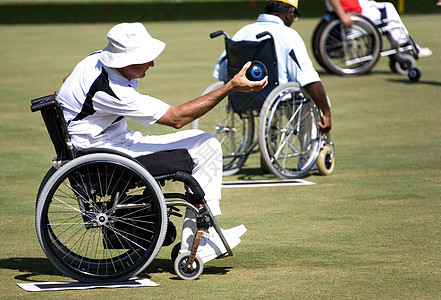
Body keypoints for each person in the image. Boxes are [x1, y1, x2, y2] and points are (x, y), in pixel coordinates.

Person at [57, 22, 268, 263]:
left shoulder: (94, 60)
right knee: (207, 147)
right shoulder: (112, 90)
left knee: (205, 144)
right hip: (106, 158)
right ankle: (199, 240)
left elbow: (67, 79)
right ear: (124, 60)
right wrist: (230, 87)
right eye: (145, 58)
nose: (152, 63)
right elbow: (177, 118)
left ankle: (201, 234)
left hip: (101, 147)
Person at [213, 0, 332, 140]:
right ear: (289, 13)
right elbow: (308, 78)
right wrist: (326, 113)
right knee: (319, 101)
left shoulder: (244, 31)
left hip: (245, 96)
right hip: (280, 97)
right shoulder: (289, 35)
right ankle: (309, 156)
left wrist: (236, 99)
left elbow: (222, 70)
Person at [326, 0, 432, 58]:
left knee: (386, 8)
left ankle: (403, 45)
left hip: (354, 9)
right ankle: (406, 46)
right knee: (388, 10)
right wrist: (342, 15)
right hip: (354, 14)